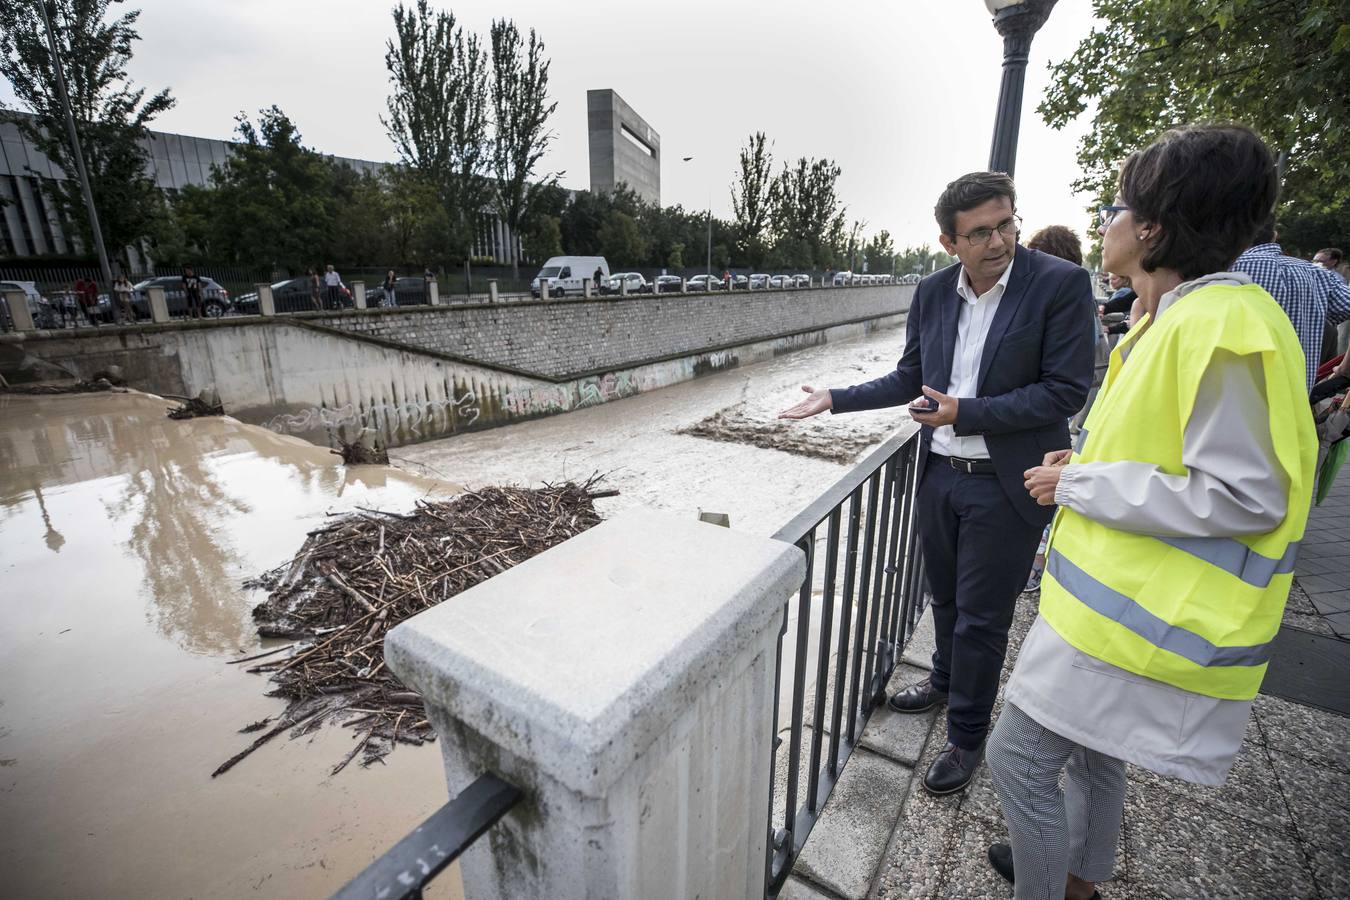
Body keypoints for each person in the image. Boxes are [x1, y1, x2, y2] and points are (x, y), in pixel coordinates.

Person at [986, 124, 1315, 900]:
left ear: (1153, 229)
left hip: (1147, 618)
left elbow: (1246, 494)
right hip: (1124, 609)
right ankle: (1076, 879)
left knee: (1018, 759)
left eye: (1117, 206)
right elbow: (1168, 456)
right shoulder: (1177, 318)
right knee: (1096, 755)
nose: (1106, 222)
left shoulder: (1221, 325)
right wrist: (1084, 463)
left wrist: (1080, 487)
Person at [779, 171, 1095, 795]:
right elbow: (911, 378)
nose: (998, 240)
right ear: (949, 242)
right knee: (944, 600)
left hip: (1009, 483)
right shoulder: (931, 293)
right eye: (979, 232)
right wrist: (835, 397)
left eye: (1006, 223)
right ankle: (946, 682)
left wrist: (965, 412)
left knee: (983, 618)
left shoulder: (1059, 284)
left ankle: (967, 737)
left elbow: (1064, 391)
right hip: (940, 474)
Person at [1233, 220, 1350, 391]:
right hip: (1294, 406)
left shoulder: (1216, 270)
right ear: (1274, 235)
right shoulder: (1317, 274)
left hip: (1220, 405)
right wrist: (1346, 367)